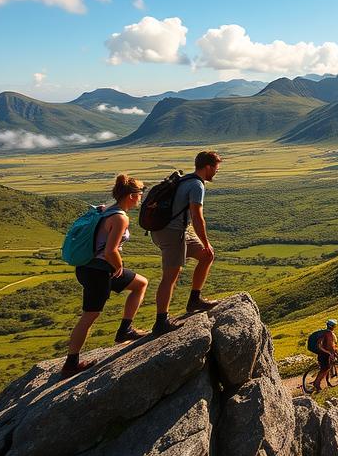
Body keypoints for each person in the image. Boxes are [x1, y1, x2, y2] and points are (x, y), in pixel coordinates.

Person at [62, 175, 149, 378]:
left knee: (140, 284)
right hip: (100, 270)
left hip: (88, 268)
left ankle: (125, 330)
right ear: (130, 196)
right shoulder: (120, 217)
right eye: (139, 194)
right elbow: (111, 250)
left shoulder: (105, 209)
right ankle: (71, 363)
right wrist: (119, 266)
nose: (141, 198)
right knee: (89, 316)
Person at [150, 151, 223, 335]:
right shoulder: (197, 185)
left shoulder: (185, 179)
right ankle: (161, 322)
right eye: (216, 168)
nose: (216, 172)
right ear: (208, 167)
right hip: (172, 234)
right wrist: (206, 241)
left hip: (171, 231)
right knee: (170, 276)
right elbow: (198, 218)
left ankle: (194, 300)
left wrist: (205, 246)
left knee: (207, 255)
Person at [311, 318, 338, 394]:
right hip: (324, 354)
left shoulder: (324, 333)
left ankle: (320, 380)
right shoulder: (329, 334)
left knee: (324, 368)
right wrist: (332, 353)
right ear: (333, 326)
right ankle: (316, 383)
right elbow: (330, 346)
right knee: (326, 368)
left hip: (320, 353)